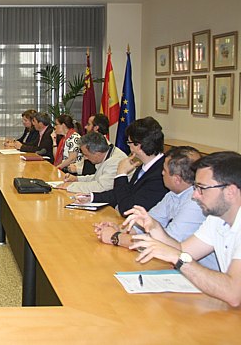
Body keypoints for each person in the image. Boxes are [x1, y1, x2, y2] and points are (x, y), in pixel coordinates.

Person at [123, 151, 241, 306]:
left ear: (230, 191)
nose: (194, 196)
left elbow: (233, 293)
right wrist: (154, 227)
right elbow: (183, 250)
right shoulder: (217, 219)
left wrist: (176, 257)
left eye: (201, 188)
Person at [93, 146, 218, 271]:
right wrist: (121, 228)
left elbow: (165, 245)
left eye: (164, 170)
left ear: (177, 179)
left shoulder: (196, 202)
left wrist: (116, 237)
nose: (161, 173)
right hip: (183, 268)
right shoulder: (173, 194)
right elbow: (148, 223)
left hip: (201, 274)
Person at [75, 116, 168, 216]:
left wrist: (121, 175)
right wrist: (92, 197)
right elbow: (122, 193)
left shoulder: (161, 174)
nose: (128, 146)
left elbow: (127, 209)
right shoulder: (144, 167)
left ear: (138, 145)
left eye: (129, 142)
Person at [61, 132, 126, 193]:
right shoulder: (106, 153)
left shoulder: (115, 161)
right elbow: (97, 178)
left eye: (86, 155)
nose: (85, 158)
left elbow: (100, 187)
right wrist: (76, 179)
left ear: (97, 153)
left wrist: (70, 186)